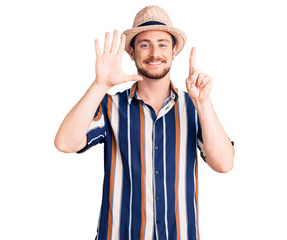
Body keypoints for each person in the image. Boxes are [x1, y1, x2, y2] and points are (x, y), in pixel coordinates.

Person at [54, 5, 235, 240]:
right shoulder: (111, 107)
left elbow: (224, 164)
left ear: (173, 52)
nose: (154, 53)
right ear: (131, 52)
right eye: (144, 44)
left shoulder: (194, 107)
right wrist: (100, 85)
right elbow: (64, 143)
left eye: (162, 44)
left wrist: (204, 103)